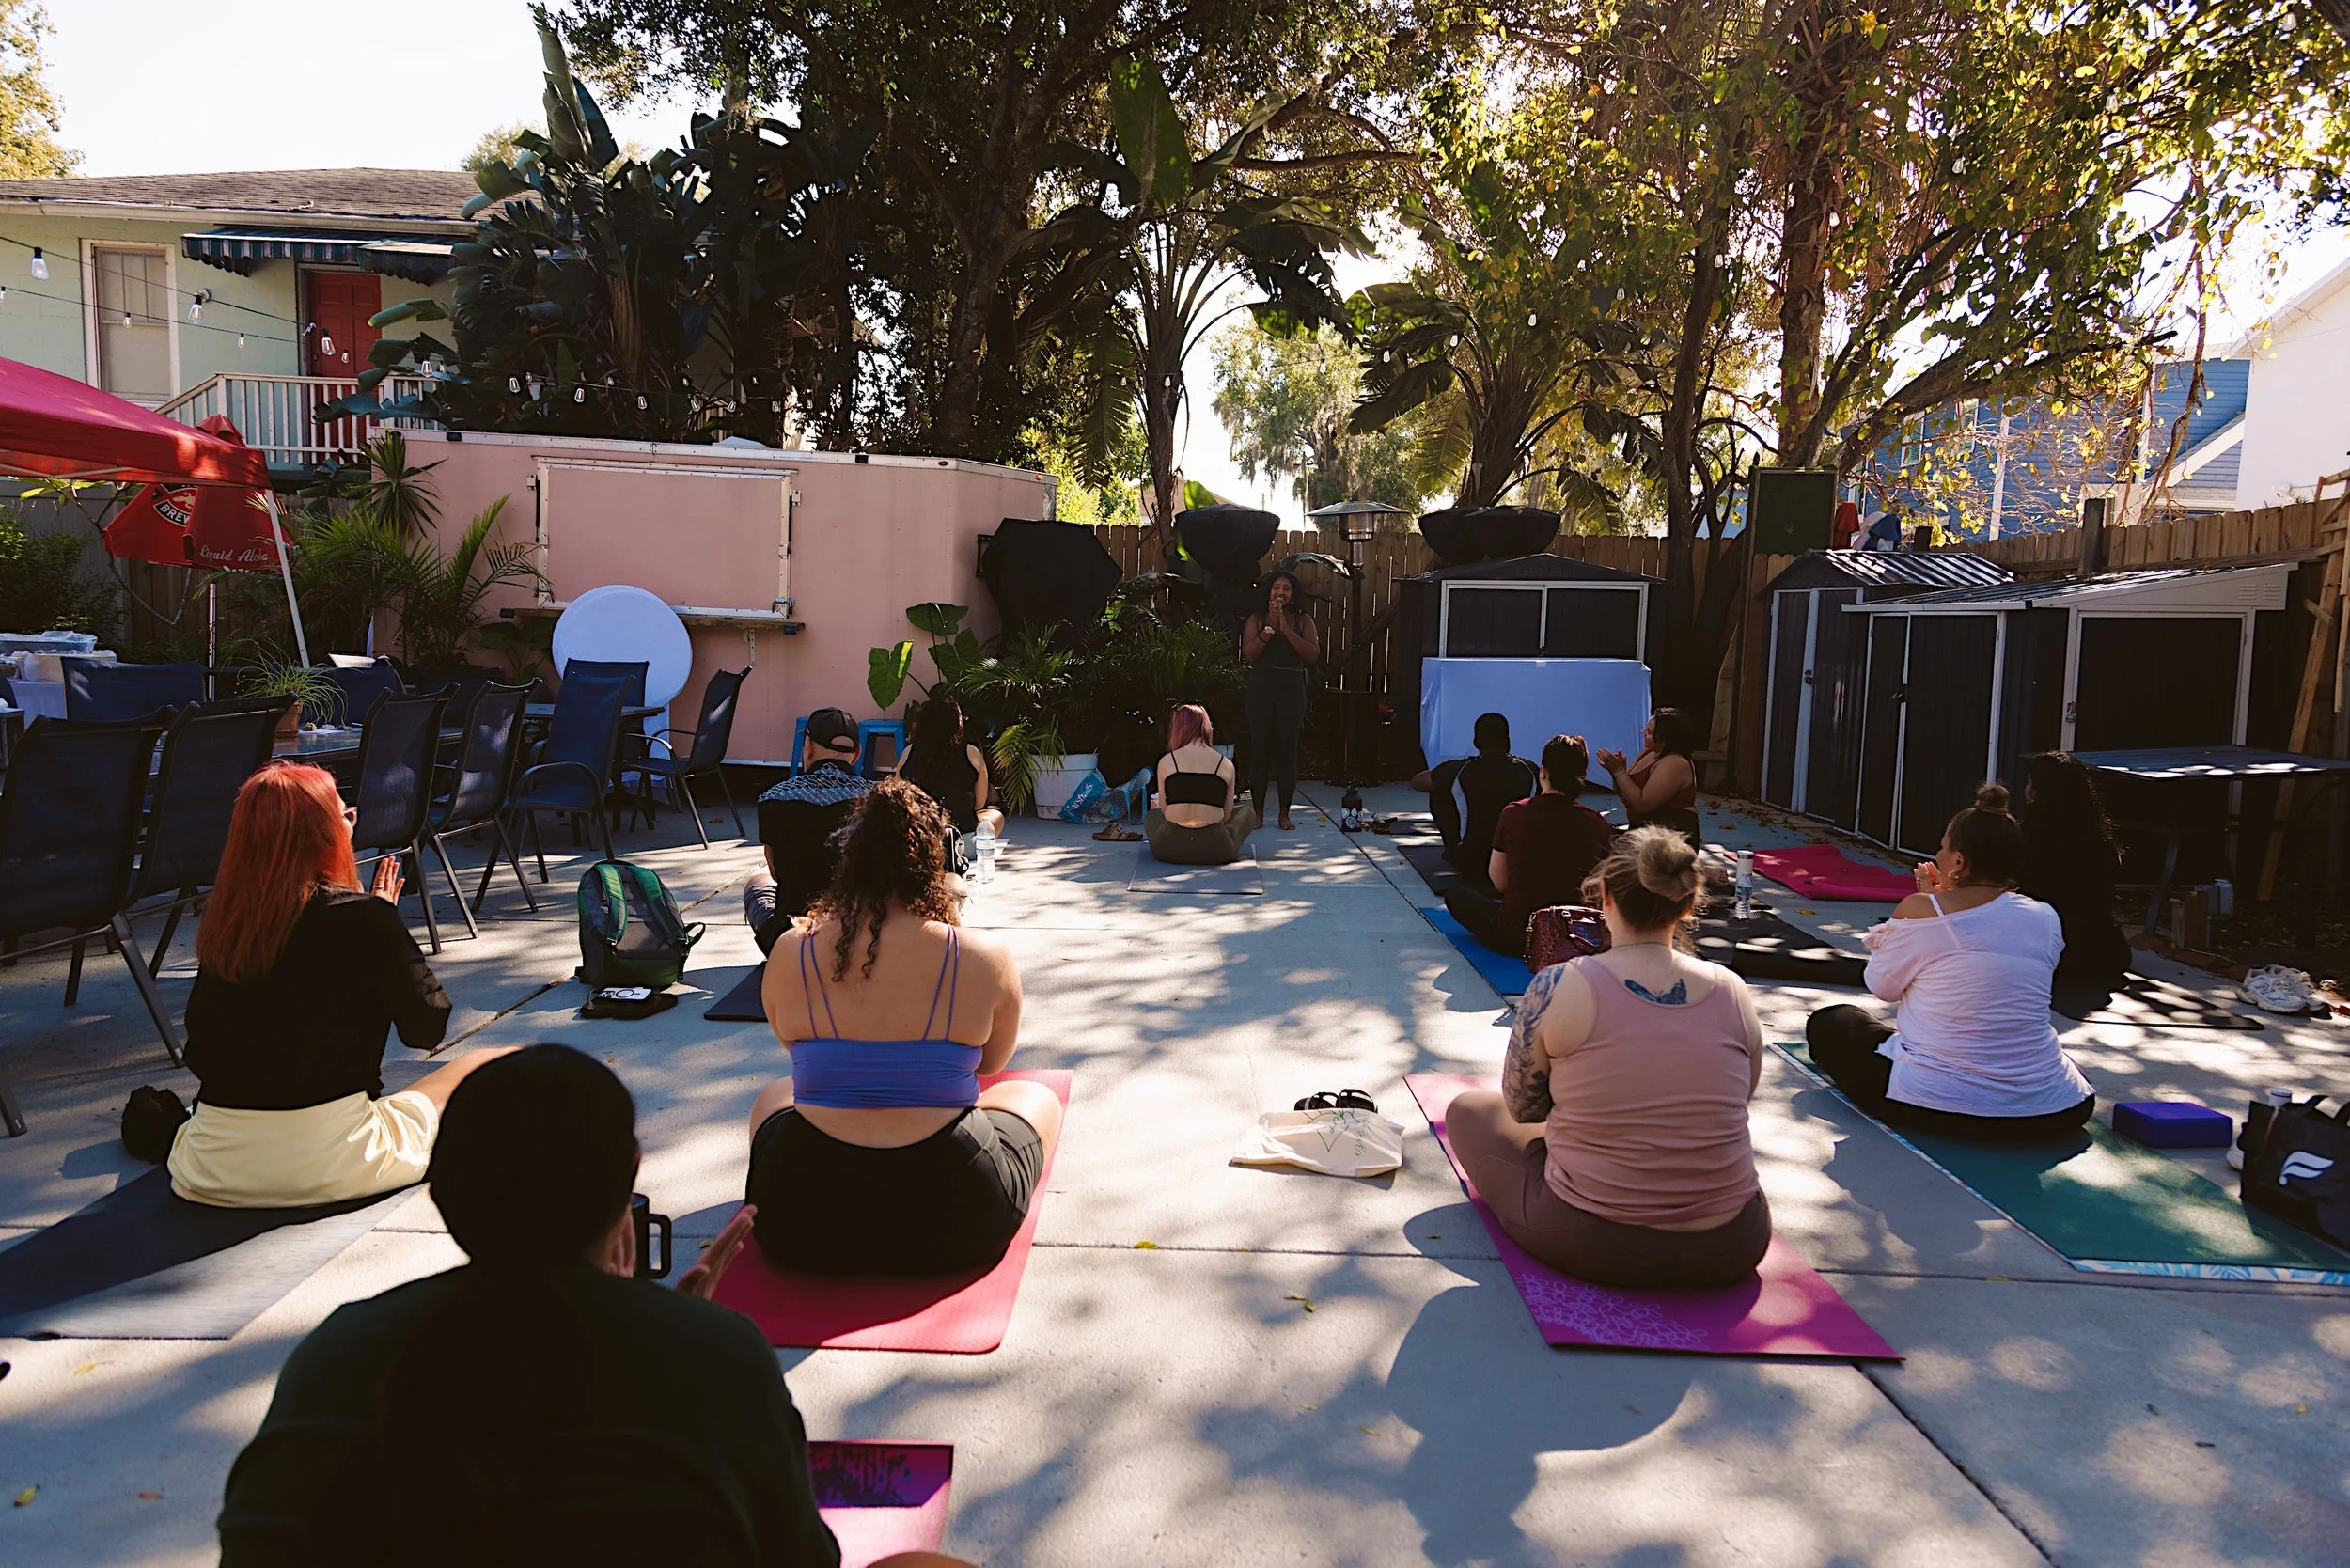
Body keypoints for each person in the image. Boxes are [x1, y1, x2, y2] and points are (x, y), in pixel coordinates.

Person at [218, 1045, 968, 1568]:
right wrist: (682, 1339)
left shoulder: (338, 1351)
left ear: (444, 1194)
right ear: (626, 1186)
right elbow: (797, 1555)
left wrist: (663, 1333)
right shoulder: (716, 1357)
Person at [749, 777, 1060, 1275]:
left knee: (774, 1095)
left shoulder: (791, 950)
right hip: (956, 1215)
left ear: (849, 862)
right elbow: (992, 1065)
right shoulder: (983, 956)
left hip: (799, 1220)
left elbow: (793, 1049)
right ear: (932, 862)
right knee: (1034, 1098)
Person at [169, 761, 512, 1209]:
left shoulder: (229, 920)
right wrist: (388, 935)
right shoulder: (365, 921)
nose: (351, 826)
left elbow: (202, 1048)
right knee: (496, 1062)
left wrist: (377, 926)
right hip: (331, 1161)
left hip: (210, 1167)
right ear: (325, 834)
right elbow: (426, 1029)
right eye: (345, 817)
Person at [1444, 828, 1771, 1287]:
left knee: (1467, 1111)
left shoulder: (1559, 984)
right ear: (1687, 903)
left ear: (1607, 897)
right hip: (1734, 1241)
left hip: (1600, 1241)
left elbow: (1523, 1109)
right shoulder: (1731, 989)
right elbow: (1740, 1095)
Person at [1807, 785, 2096, 1142]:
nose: (1938, 854)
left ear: (1958, 862)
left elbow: (1881, 986)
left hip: (1938, 1103)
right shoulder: (2045, 915)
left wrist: (1927, 908)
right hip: (2057, 1108)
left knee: (1832, 1022)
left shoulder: (1923, 909)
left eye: (1943, 847)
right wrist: (1939, 906)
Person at [1443, 733, 1617, 959]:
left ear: (1543, 772)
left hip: (1517, 936)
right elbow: (1602, 890)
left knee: (1457, 896)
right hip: (1578, 935)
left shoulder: (1515, 812)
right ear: (1582, 776)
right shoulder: (1597, 823)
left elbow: (1500, 881)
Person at [746, 707, 871, 954]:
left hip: (792, 941)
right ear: (856, 754)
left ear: (808, 746)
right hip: (860, 940)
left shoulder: (773, 799)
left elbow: (775, 873)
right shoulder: (880, 801)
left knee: (757, 883)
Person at [2019, 751, 2131, 993]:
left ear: (2040, 791)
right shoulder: (2101, 838)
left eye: (2030, 782)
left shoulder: (2031, 836)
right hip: (2104, 955)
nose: (2026, 789)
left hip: (2049, 956)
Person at [1411, 711, 1538, 889]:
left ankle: (1454, 846)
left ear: (1476, 742)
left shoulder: (1460, 770)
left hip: (1469, 859)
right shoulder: (1530, 770)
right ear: (1508, 741)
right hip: (1516, 858)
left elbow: (1417, 782)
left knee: (1439, 789)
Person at [1241, 569, 1319, 831]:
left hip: (1291, 689)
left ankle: (1284, 813)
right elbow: (1249, 654)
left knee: (1288, 752)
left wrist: (1288, 631)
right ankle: (1258, 812)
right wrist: (1270, 630)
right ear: (1269, 592)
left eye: (1286, 589)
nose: (1280, 593)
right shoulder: (1256, 618)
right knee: (1259, 750)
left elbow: (1312, 655)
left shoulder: (1303, 621)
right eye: (1276, 588)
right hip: (1261, 688)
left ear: (1293, 595)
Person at [1144, 703, 1258, 866]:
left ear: (1177, 728)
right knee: (1247, 812)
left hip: (1169, 849)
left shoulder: (1167, 762)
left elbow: (1164, 810)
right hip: (1217, 851)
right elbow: (1225, 815)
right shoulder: (1225, 764)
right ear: (1206, 727)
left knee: (1152, 815)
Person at [900, 695, 1004, 842]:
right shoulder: (971, 753)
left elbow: (897, 797)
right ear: (957, 723)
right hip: (961, 836)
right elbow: (979, 804)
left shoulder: (909, 752)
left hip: (919, 837)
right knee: (995, 816)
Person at [1595, 708, 1701, 849]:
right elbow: (1626, 796)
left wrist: (1620, 772)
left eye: (1649, 732)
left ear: (1664, 741)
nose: (1643, 733)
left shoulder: (1675, 762)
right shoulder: (1650, 751)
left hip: (1671, 837)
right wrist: (1616, 773)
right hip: (1644, 831)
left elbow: (1642, 804)